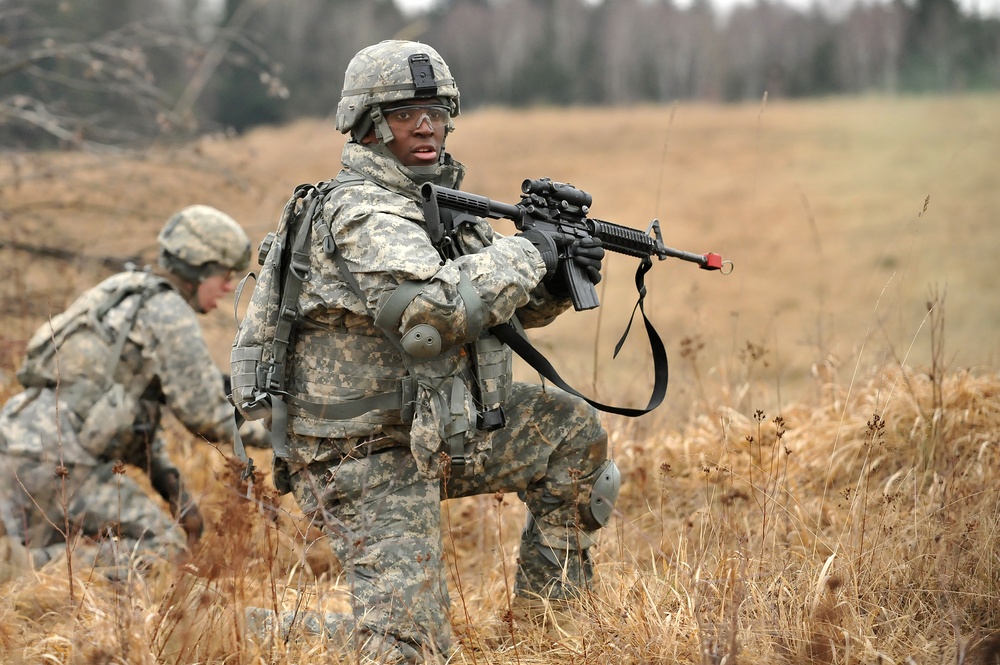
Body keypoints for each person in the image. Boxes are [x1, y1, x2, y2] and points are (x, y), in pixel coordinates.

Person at [245, 40, 617, 663]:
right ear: (367, 124)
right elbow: (428, 317)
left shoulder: (435, 203)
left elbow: (497, 310)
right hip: (361, 454)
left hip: (432, 428)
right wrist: (529, 252)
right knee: (411, 649)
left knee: (571, 438)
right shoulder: (361, 211)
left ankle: (551, 630)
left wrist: (552, 278)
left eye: (436, 111)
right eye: (404, 113)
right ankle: (268, 631)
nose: (426, 125)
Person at [0, 204, 270, 580]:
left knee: (48, 544)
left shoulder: (124, 292)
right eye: (224, 275)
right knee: (161, 550)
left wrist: (174, 493)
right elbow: (206, 412)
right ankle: (15, 569)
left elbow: (136, 423)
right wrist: (277, 433)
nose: (228, 286)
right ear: (197, 270)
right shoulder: (169, 312)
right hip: (61, 463)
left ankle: (25, 566)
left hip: (21, 448)